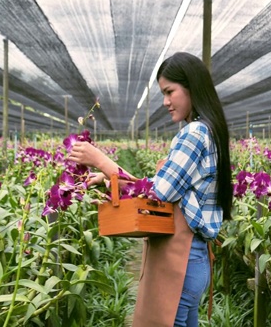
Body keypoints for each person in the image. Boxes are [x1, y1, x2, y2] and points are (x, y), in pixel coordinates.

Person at [68, 52, 232, 327]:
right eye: (163, 93)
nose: (166, 102)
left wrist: (104, 162)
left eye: (170, 92)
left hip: (181, 259)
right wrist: (110, 180)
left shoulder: (194, 134)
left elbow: (158, 195)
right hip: (192, 257)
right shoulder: (209, 131)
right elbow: (163, 187)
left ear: (191, 86)